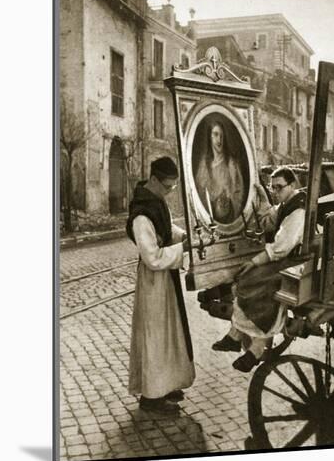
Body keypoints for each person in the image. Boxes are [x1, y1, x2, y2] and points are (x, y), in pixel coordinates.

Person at [212, 167, 306, 372]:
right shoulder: (286, 204)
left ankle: (255, 348)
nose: (275, 192)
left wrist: (254, 262)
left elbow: (281, 248)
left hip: (295, 263)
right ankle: (236, 337)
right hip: (288, 259)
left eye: (279, 187)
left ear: (292, 185)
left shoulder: (298, 210)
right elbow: (269, 218)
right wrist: (263, 199)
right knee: (247, 279)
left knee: (253, 281)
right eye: (273, 188)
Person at [126, 157, 195, 415]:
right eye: (167, 186)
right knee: (155, 338)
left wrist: (182, 236)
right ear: (154, 180)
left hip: (166, 281)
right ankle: (151, 397)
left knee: (169, 335)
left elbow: (165, 230)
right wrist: (182, 248)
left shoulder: (156, 202)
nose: (169, 191)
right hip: (154, 282)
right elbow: (152, 257)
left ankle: (167, 385)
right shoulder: (141, 214)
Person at [195, 120, 244, 224]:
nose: (219, 139)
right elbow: (199, 192)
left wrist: (228, 199)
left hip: (229, 215)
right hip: (210, 218)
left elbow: (239, 192)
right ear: (210, 137)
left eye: (222, 135)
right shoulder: (204, 164)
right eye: (216, 134)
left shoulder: (232, 163)